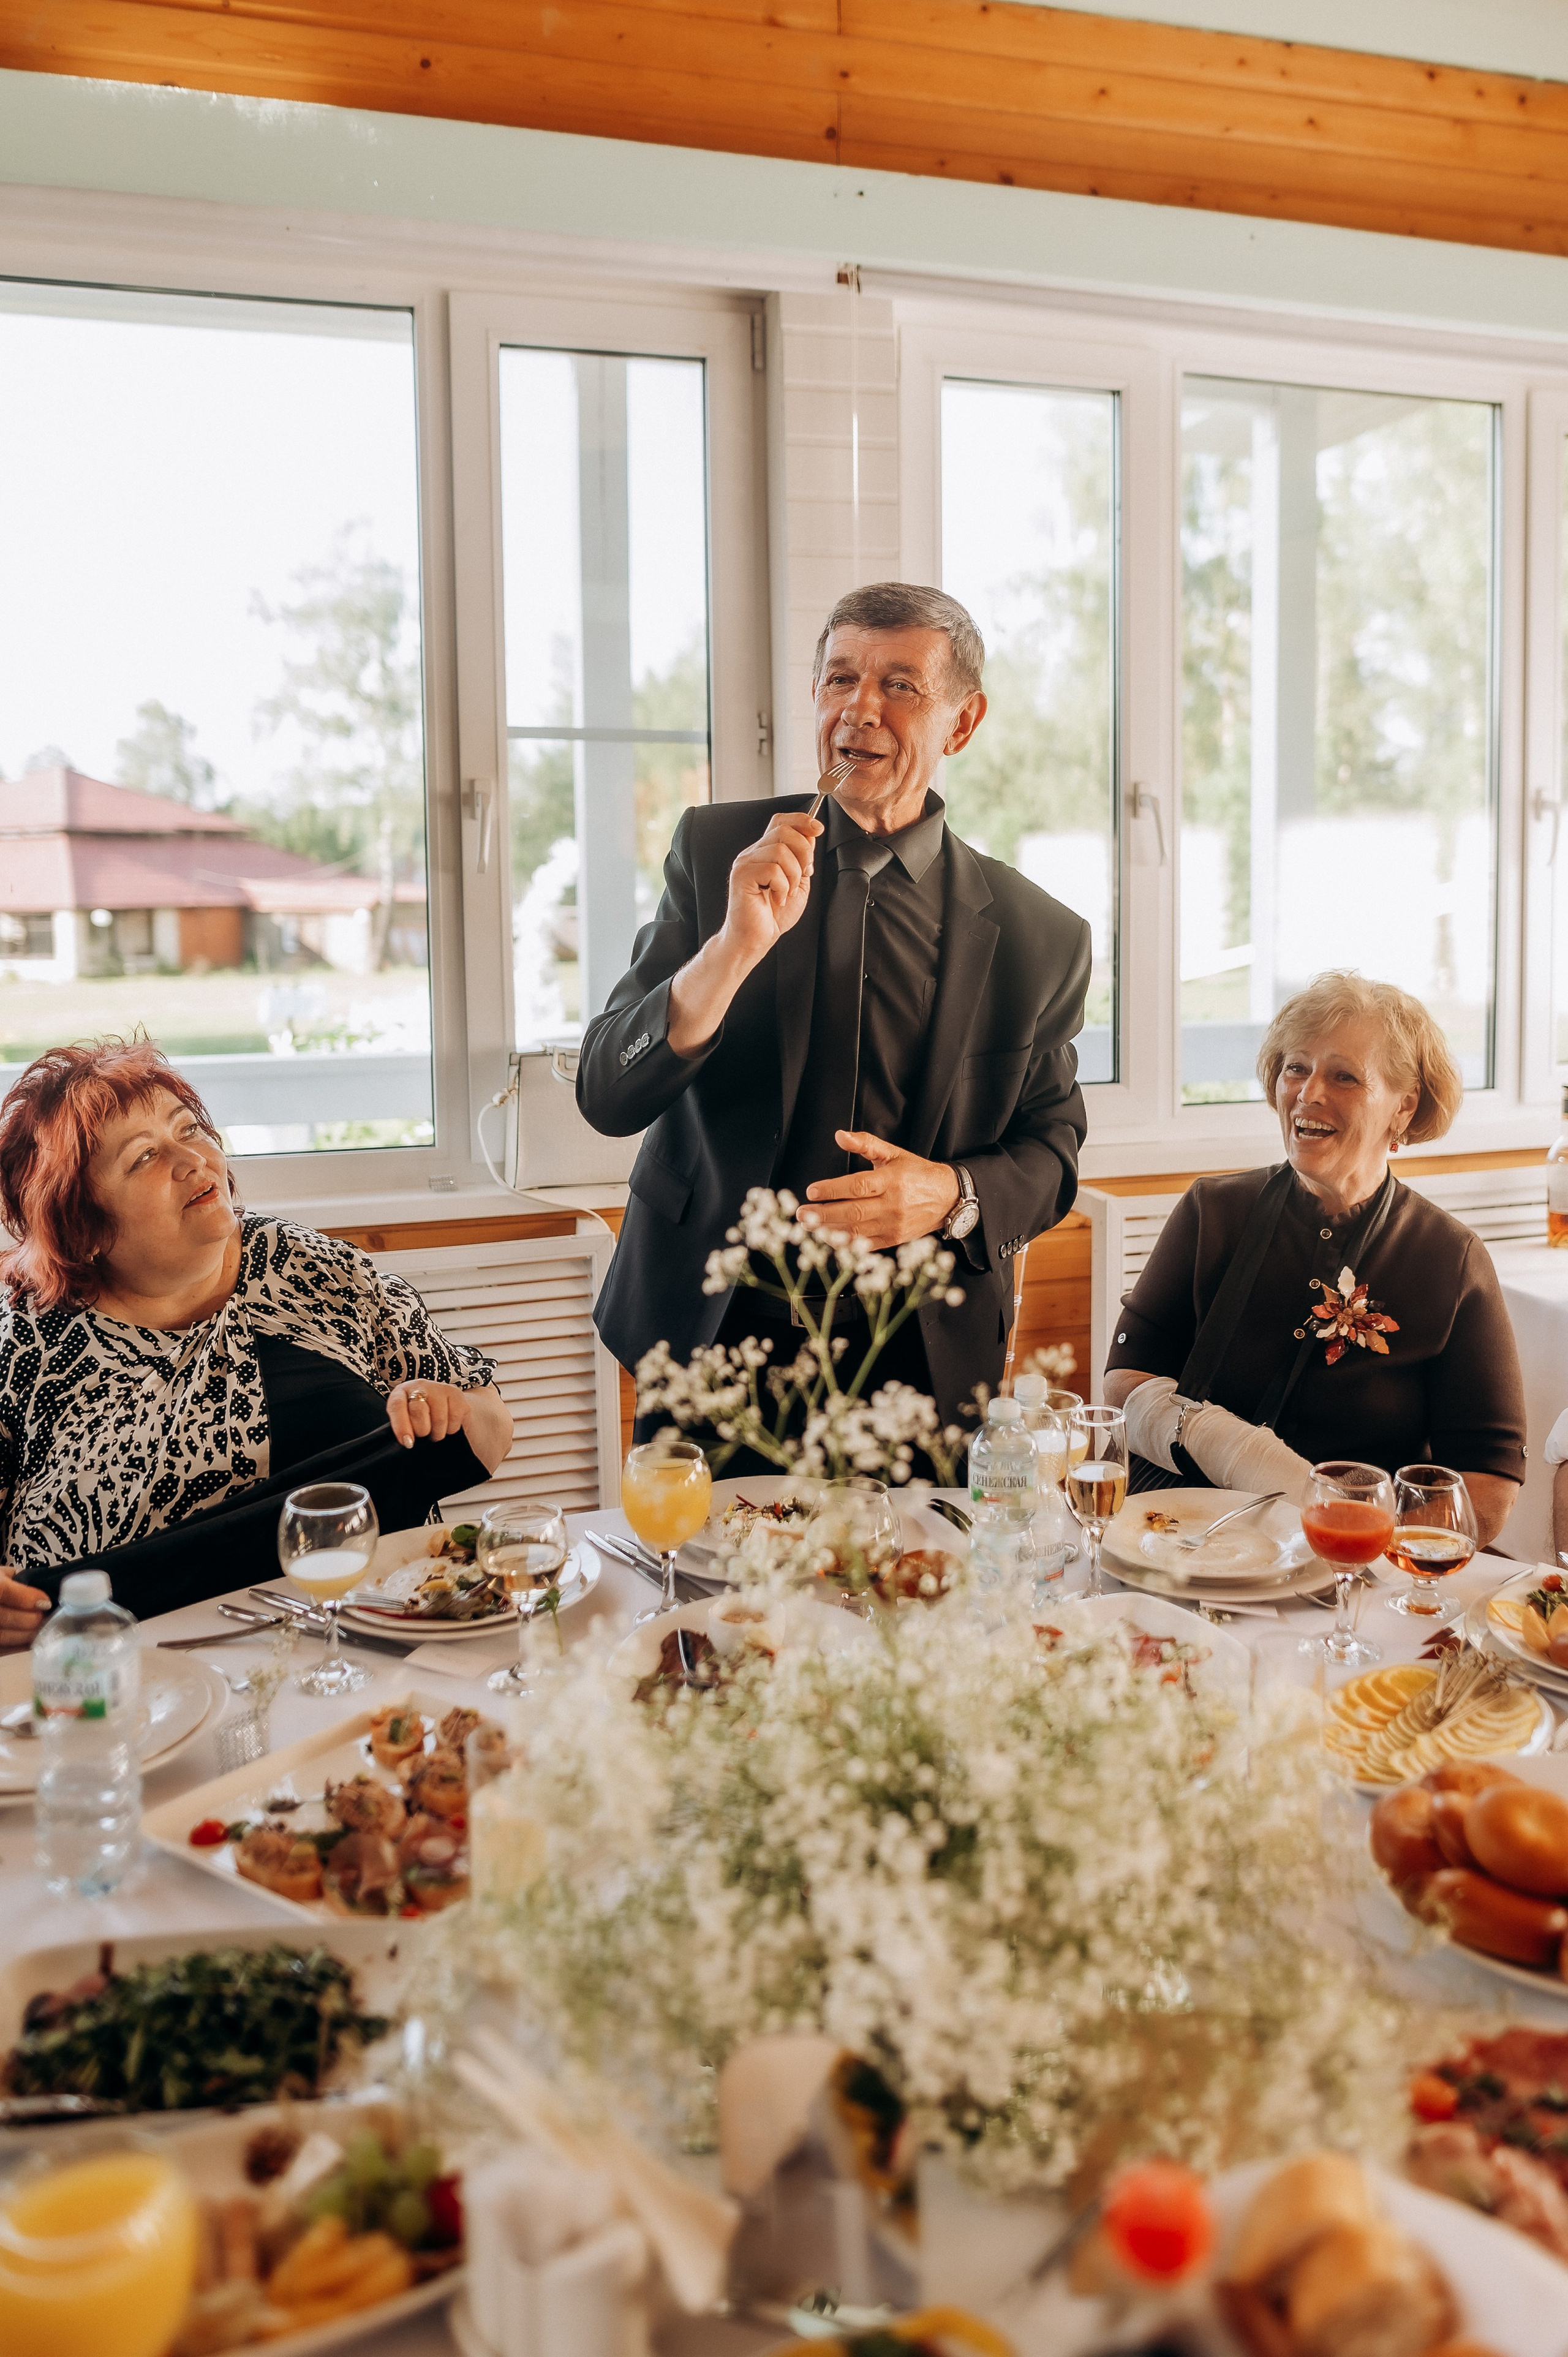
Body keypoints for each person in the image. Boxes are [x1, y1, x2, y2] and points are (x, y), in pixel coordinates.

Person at [576, 581, 1093, 1432]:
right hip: (713, 1337)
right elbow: (607, 1091)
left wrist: (951, 1194)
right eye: (840, 679)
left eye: (900, 685)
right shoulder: (714, 853)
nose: (861, 708)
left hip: (916, 1359)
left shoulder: (1042, 936)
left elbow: (1054, 1153)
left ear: (962, 724)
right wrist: (731, 950)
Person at [0, 1039, 513, 1646]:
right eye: (144, 1158)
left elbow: (489, 1424)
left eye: (189, 1128)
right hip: (114, 1674)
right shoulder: (28, 1338)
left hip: (357, 1641)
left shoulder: (313, 1267)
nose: (191, 1158)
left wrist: (447, 1406)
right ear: (84, 1229)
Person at [1104, 972, 1525, 1547]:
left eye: (1344, 1076)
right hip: (1184, 1534)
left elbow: (1486, 1484)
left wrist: (1362, 1549)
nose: (1308, 1092)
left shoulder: (1451, 1260)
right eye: (1295, 1067)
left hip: (1355, 1562)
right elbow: (1124, 1383)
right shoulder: (1212, 1211)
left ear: (1403, 1109)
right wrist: (1235, 1448)